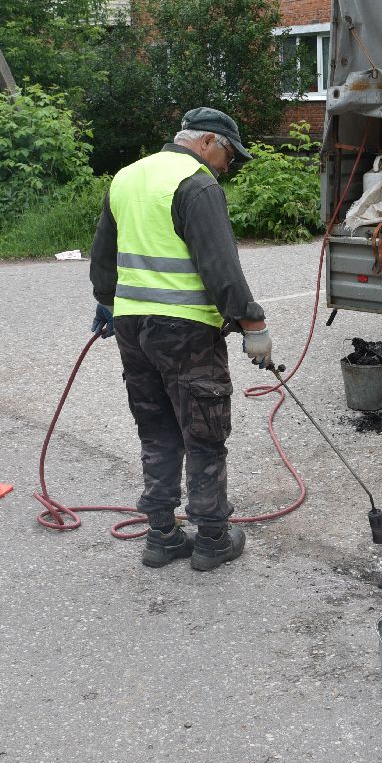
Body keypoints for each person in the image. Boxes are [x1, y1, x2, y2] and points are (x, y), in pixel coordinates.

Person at [89, 107, 276, 572]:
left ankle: (161, 535)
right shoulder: (196, 182)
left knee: (156, 429)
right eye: (229, 154)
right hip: (187, 331)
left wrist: (107, 302)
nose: (227, 166)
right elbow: (221, 266)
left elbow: (102, 258)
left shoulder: (127, 177)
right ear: (208, 142)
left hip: (132, 329)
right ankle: (212, 538)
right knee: (204, 431)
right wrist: (252, 324)